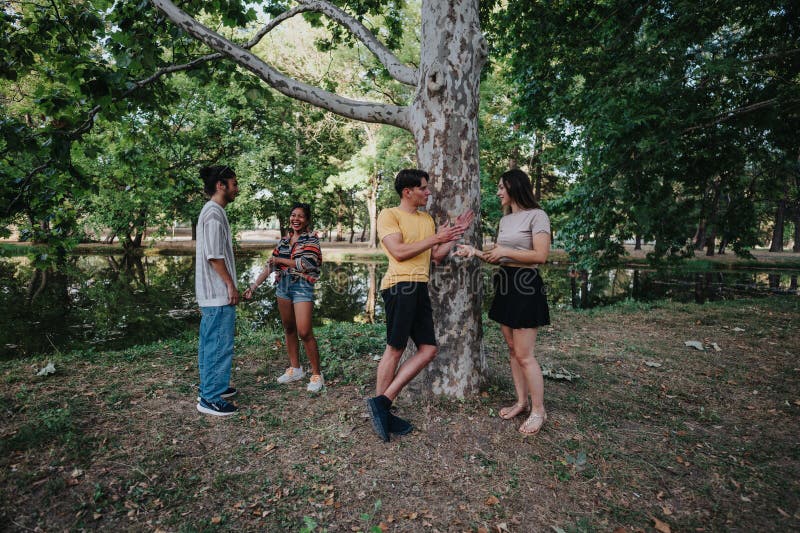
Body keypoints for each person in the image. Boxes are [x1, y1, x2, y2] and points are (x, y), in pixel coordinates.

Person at [366, 169, 474, 442]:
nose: (428, 193)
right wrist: (435, 238)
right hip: (399, 286)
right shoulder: (389, 215)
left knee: (428, 349)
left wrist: (451, 235)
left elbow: (434, 257)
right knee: (396, 348)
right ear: (408, 192)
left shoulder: (426, 219)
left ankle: (383, 403)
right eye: (424, 188)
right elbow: (399, 252)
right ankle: (383, 412)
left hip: (420, 287)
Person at [455, 169, 551, 435]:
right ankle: (521, 401)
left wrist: (507, 251)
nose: (497, 192)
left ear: (513, 187)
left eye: (501, 187)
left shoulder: (538, 215)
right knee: (511, 349)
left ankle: (539, 410)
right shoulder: (505, 220)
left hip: (526, 285)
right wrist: (474, 251)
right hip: (506, 283)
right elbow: (499, 257)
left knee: (525, 354)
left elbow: (540, 255)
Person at [244, 202, 324, 392]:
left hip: (302, 286)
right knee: (289, 328)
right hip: (283, 286)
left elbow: (304, 264)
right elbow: (270, 266)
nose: (296, 219)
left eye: (300, 216)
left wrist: (279, 260)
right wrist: (254, 287)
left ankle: (317, 374)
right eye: (293, 215)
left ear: (307, 220)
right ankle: (295, 369)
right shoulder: (283, 242)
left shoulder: (311, 240)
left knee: (304, 331)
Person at [195, 165, 241, 416]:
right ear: (221, 185)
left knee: (211, 342)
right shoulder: (213, 213)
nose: (237, 188)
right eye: (233, 184)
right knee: (218, 344)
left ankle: (215, 387)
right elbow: (214, 256)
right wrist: (230, 285)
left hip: (213, 293)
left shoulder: (215, 211)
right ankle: (209, 398)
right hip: (216, 293)